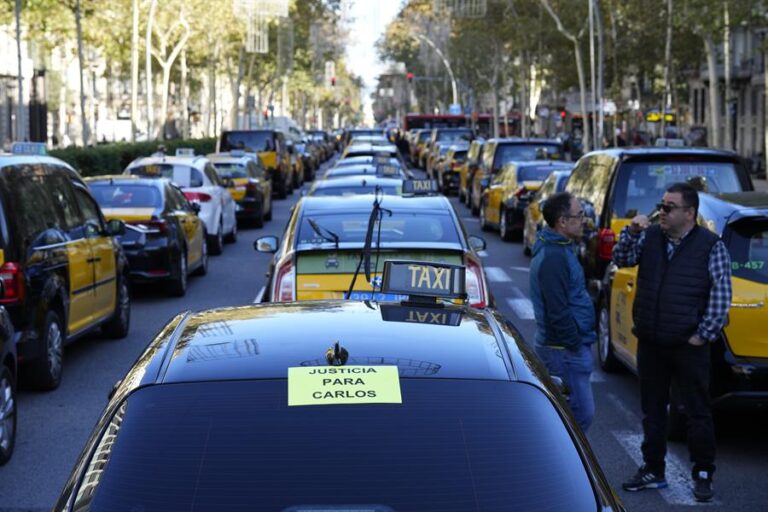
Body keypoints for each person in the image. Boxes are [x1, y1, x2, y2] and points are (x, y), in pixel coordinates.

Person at [614, 182, 731, 503]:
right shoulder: (650, 236)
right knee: (652, 410)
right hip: (651, 340)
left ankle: (703, 472)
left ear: (689, 213)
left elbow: (721, 295)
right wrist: (632, 232)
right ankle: (653, 469)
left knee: (696, 410)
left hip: (688, 345)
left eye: (668, 207)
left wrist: (703, 334)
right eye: (661, 206)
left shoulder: (710, 245)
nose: (661, 212)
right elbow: (621, 258)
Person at [530, 191, 596, 432]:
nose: (583, 220)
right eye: (579, 215)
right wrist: (575, 343)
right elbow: (556, 310)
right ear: (562, 222)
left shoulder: (560, 248)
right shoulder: (554, 256)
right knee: (577, 415)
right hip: (563, 350)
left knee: (571, 415)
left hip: (565, 348)